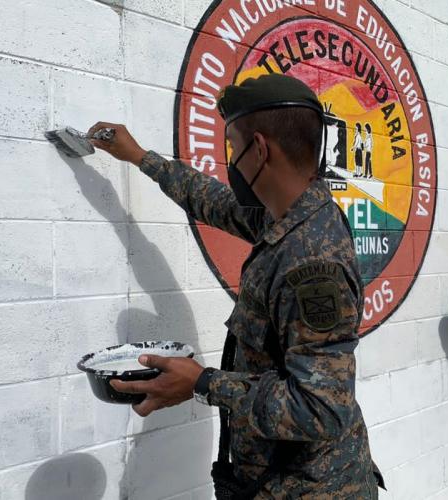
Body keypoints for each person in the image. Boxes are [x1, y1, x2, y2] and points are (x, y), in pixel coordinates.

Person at [88, 74, 383, 498]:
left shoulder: (313, 262)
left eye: (233, 147)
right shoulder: (290, 215)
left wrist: (203, 383)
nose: (233, 162)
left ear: (259, 149)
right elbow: (214, 201)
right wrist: (139, 157)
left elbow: (321, 409)